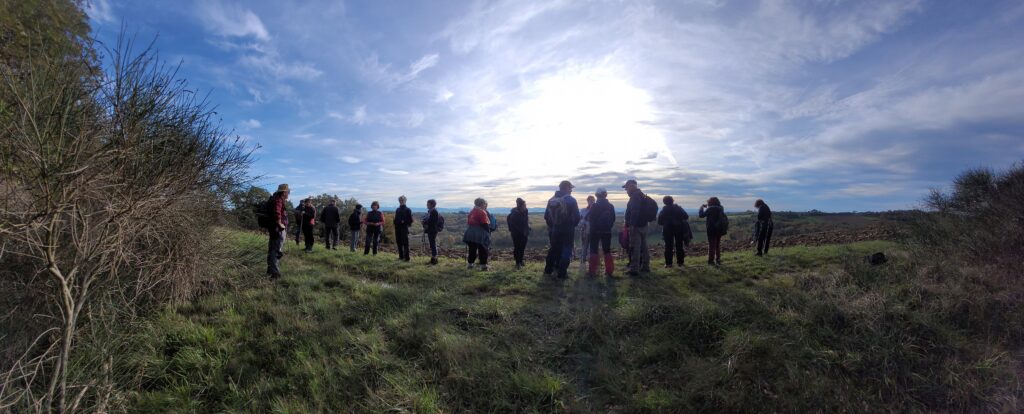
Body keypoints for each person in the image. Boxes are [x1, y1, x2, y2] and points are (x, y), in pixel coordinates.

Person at [543, 180, 581, 278]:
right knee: (567, 250)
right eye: (571, 188)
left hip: (555, 230)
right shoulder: (572, 200)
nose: (571, 190)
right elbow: (577, 217)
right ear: (567, 188)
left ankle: (548, 270)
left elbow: (546, 216)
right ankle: (562, 273)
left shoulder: (552, 200)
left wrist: (553, 226)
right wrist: (572, 225)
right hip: (568, 230)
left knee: (553, 249)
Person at [623, 179, 655, 276]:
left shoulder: (635, 196)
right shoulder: (641, 194)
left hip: (636, 226)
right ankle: (645, 266)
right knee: (644, 247)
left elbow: (635, 211)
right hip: (644, 225)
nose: (626, 190)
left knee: (635, 248)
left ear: (632, 186)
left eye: (626, 188)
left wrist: (632, 225)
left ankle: (634, 269)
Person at [587, 188, 616, 277]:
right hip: (607, 231)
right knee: (607, 250)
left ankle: (592, 271)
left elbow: (590, 218)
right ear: (605, 195)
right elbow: (613, 219)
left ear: (597, 195)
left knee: (594, 250)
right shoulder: (611, 206)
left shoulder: (595, 206)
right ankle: (609, 271)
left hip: (595, 231)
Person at [657, 196, 692, 268]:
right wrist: (679, 219)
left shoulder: (664, 210)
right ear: (673, 201)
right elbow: (686, 216)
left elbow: (659, 222)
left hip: (667, 230)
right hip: (679, 228)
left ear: (664, 202)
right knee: (679, 246)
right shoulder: (678, 208)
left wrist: (666, 222)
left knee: (668, 246)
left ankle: (668, 264)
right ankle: (680, 263)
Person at [267, 184, 290, 279]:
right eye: (288, 192)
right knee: (276, 251)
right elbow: (277, 213)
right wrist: (280, 224)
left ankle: (270, 270)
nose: (288, 193)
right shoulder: (278, 200)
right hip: (278, 229)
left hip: (273, 229)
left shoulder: (274, 198)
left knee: (272, 249)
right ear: (284, 192)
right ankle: (275, 274)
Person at [463, 198, 491, 271]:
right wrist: (488, 232)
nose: (485, 205)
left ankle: (470, 264)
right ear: (482, 204)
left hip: (470, 232)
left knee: (472, 249)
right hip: (479, 233)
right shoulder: (482, 212)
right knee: (483, 250)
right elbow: (485, 224)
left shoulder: (472, 211)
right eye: (484, 203)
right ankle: (483, 266)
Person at [699, 197, 727, 266]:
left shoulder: (710, 209)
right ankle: (718, 259)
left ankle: (711, 261)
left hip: (711, 229)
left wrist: (701, 207)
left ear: (710, 202)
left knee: (711, 245)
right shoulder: (721, 208)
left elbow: (701, 215)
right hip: (719, 229)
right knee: (717, 245)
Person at [506, 198, 531, 270]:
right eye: (524, 205)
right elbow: (514, 225)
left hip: (524, 233)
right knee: (517, 248)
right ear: (521, 205)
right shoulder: (514, 214)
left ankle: (521, 261)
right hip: (517, 234)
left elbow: (525, 222)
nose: (525, 206)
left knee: (522, 247)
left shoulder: (525, 211)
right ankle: (518, 263)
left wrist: (527, 228)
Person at [394, 195, 414, 261]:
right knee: (399, 242)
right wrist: (395, 222)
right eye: (400, 200)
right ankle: (401, 257)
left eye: (402, 200)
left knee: (405, 243)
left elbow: (411, 220)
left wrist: (404, 221)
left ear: (405, 201)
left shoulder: (408, 210)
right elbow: (396, 218)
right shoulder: (397, 209)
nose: (401, 201)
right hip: (397, 228)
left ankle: (407, 258)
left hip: (404, 228)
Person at [578, 195, 595, 269]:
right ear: (587, 201)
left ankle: (591, 262)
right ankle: (583, 261)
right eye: (590, 200)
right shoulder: (583, 210)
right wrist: (584, 223)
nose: (591, 202)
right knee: (584, 246)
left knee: (593, 247)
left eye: (593, 200)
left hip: (594, 231)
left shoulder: (596, 210)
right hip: (585, 231)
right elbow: (580, 221)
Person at [422, 199, 442, 265]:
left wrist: (424, 222)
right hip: (432, 230)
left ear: (431, 204)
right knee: (432, 244)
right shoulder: (432, 211)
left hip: (432, 230)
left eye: (428, 204)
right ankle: (434, 258)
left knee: (433, 244)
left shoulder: (434, 212)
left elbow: (432, 222)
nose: (427, 205)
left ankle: (434, 258)